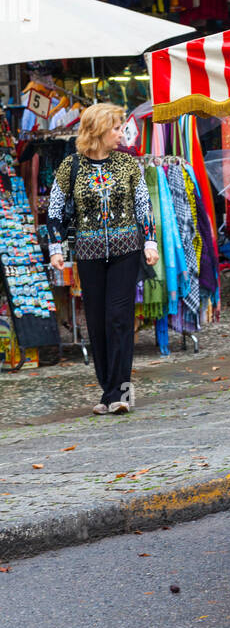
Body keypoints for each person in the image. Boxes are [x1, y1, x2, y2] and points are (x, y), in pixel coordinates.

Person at [47, 103, 158, 414]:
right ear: (97, 130)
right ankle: (107, 391)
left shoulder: (128, 165)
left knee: (119, 319)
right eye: (116, 127)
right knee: (96, 322)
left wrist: (150, 243)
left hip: (126, 251)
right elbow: (55, 210)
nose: (121, 132)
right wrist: (57, 248)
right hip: (89, 254)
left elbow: (143, 207)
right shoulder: (70, 167)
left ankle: (120, 394)